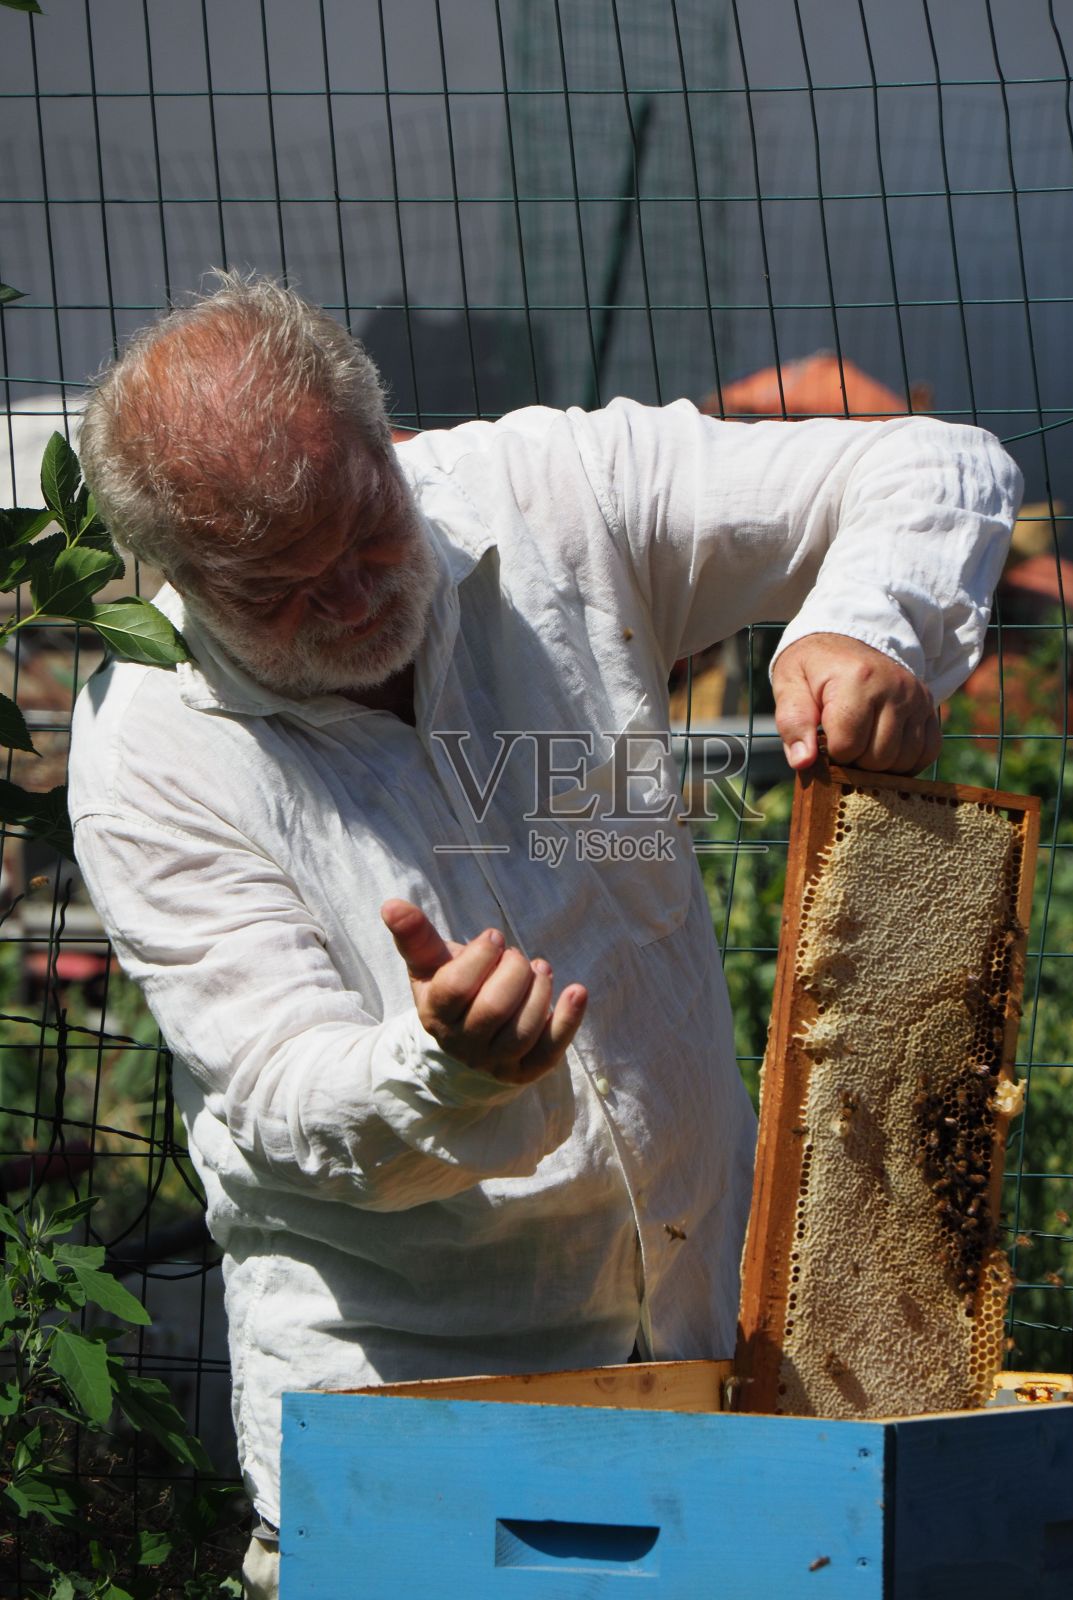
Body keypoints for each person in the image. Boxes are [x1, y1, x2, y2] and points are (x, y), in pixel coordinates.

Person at [68, 275, 1021, 1597]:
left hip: (713, 1353)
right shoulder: (145, 751)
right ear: (177, 575)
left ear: (386, 443)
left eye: (365, 537)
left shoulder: (548, 487)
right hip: (415, 1406)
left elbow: (934, 462)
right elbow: (283, 1098)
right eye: (281, 589)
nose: (349, 597)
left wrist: (871, 624)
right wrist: (441, 1067)